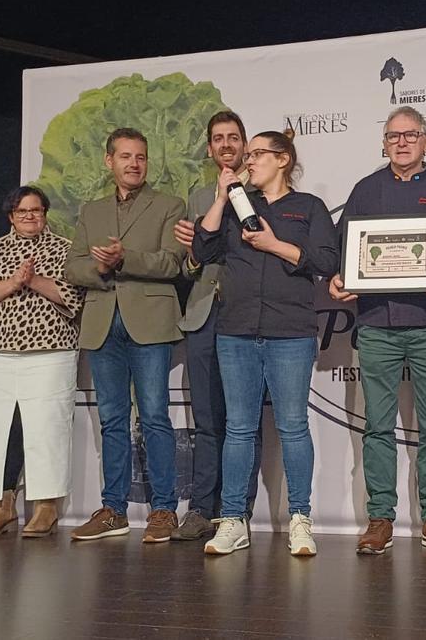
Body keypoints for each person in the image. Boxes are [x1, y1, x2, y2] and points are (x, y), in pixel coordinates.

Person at [329, 106, 426, 555]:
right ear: (383, 142)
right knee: (377, 427)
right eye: (393, 135)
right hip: (376, 325)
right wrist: (340, 278)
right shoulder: (365, 190)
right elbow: (344, 252)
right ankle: (380, 518)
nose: (401, 142)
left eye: (410, 135)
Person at [193, 131, 338, 557]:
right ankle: (234, 520)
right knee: (238, 427)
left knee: (292, 425)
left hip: (289, 330)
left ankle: (300, 519)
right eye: (248, 154)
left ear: (283, 160)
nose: (248, 161)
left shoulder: (308, 207)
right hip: (235, 330)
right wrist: (222, 198)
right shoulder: (241, 206)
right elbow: (203, 248)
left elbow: (327, 261)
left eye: (256, 154)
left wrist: (276, 245)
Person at [64, 128, 186, 542]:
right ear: (108, 161)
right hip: (102, 322)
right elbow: (72, 267)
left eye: (141, 157)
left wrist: (123, 258)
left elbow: (172, 263)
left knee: (154, 415)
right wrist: (99, 268)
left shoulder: (170, 204)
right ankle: (113, 508)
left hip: (149, 319)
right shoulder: (91, 210)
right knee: (112, 419)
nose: (134, 164)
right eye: (126, 157)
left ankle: (164, 509)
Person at [0, 186, 84, 538]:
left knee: (47, 429)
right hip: (1, 352)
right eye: (22, 211)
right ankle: (2, 506)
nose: (30, 217)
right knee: (2, 430)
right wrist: (15, 282)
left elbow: (73, 295)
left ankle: (45, 508)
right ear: (10, 216)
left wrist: (34, 280)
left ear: (45, 213)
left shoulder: (64, 249)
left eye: (37, 210)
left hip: (51, 350)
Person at [171, 111, 264, 541]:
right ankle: (200, 508)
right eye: (218, 139)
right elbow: (188, 268)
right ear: (209, 149)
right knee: (207, 419)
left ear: (245, 145)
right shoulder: (194, 198)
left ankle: (237, 510)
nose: (226, 145)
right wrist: (193, 255)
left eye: (234, 138)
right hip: (204, 314)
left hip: (247, 315)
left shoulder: (263, 191)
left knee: (243, 420)